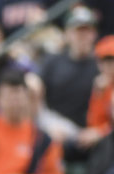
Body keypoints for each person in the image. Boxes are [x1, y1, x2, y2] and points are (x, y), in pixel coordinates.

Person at [35, 5, 99, 160]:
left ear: (94, 34)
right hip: (57, 128)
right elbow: (37, 99)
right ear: (67, 34)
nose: (82, 36)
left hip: (93, 133)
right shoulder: (52, 62)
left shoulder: (103, 63)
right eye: (78, 31)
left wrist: (99, 131)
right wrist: (49, 125)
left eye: (87, 31)